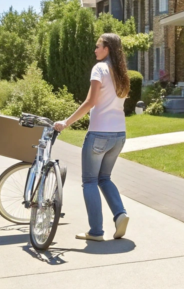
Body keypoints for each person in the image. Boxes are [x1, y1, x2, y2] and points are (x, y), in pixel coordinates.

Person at [54, 33, 131, 242]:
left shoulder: (100, 69)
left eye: (98, 46)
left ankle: (96, 232)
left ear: (107, 48)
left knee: (89, 181)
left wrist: (65, 122)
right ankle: (120, 214)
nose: (95, 50)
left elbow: (90, 102)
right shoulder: (121, 73)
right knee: (104, 178)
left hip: (99, 134)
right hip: (119, 135)